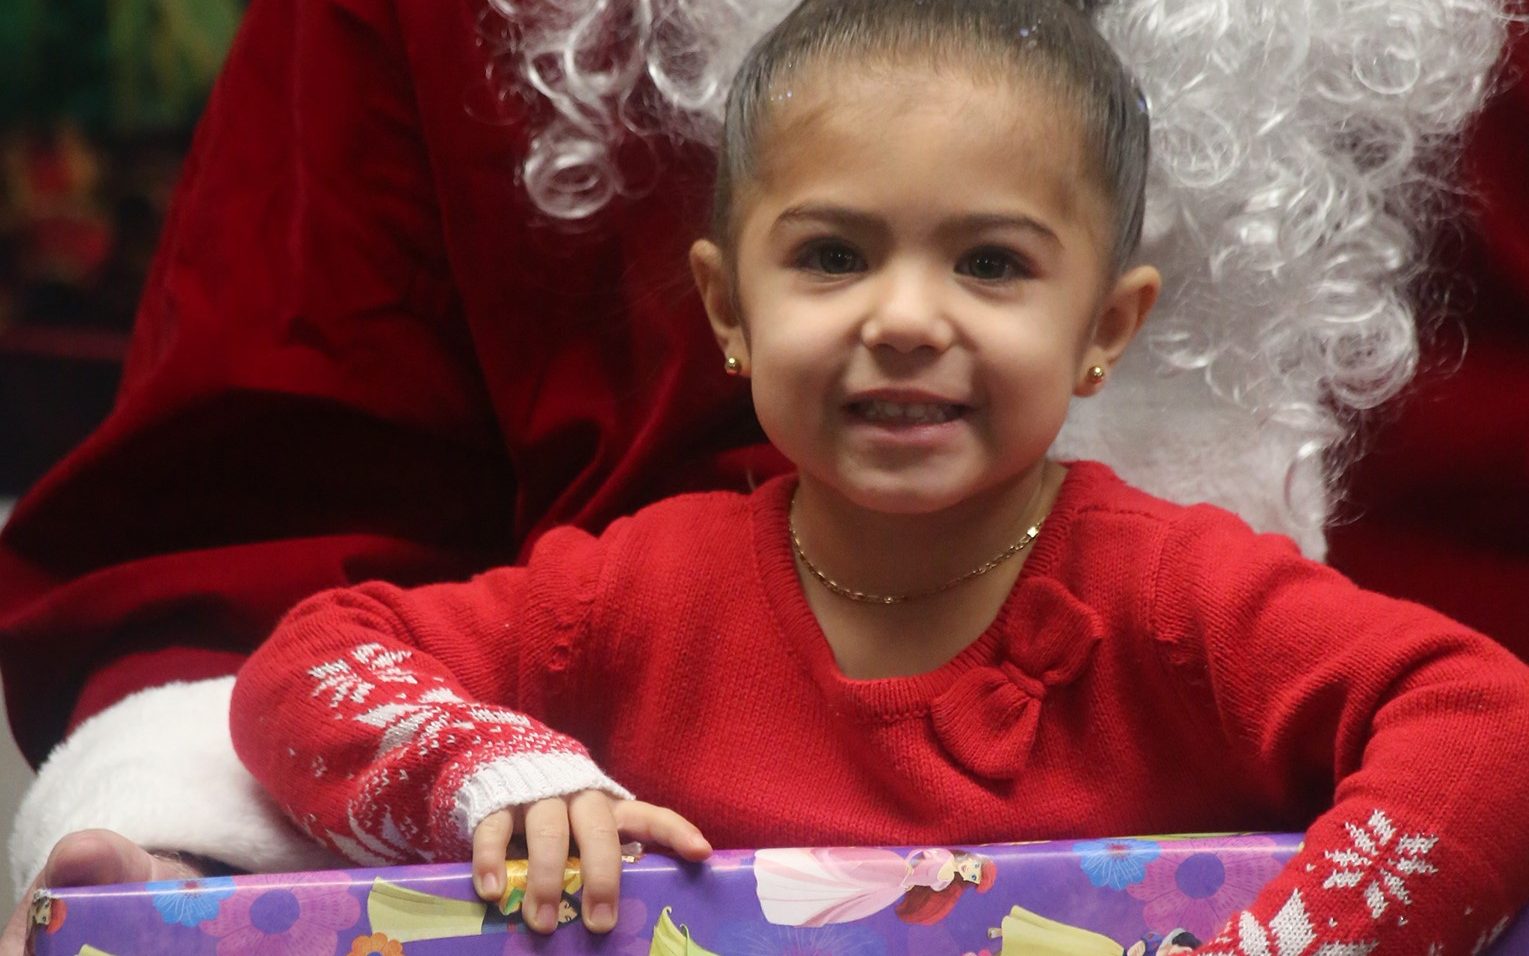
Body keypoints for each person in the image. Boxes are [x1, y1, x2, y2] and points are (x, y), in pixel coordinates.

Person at [227, 1, 1529, 953]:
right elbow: (312, 663)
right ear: (728, 310)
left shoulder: (1174, 597)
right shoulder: (643, 593)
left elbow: (1493, 727)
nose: (904, 319)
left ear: (1104, 330)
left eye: (992, 265)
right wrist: (495, 772)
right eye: (833, 257)